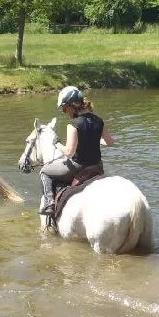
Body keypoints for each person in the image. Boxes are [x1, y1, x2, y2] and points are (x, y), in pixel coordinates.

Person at [39, 86, 114, 219]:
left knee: (44, 171)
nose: (64, 112)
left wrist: (57, 144)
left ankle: (49, 203)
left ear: (73, 105)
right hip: (97, 166)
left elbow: (69, 152)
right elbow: (109, 142)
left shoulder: (73, 124)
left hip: (79, 167)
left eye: (64, 108)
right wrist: (94, 139)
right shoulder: (99, 121)